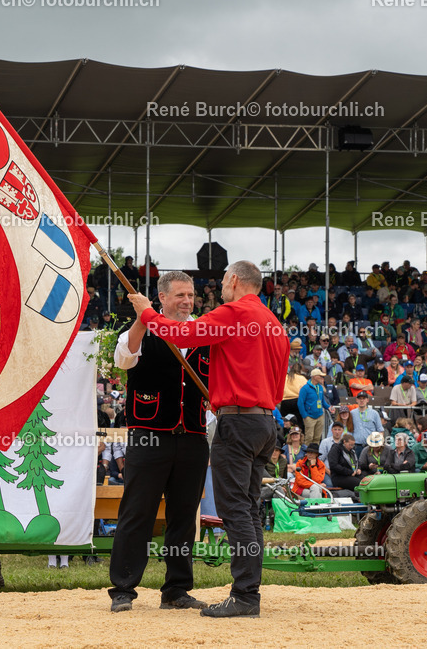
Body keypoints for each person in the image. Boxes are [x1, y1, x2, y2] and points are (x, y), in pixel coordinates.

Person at [129, 260, 289, 618]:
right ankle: (249, 591)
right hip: (265, 421)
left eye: (223, 281)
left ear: (234, 280)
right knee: (248, 508)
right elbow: (279, 381)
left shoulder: (234, 312)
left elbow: (182, 335)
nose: (220, 288)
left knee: (236, 510)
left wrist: (147, 313)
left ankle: (245, 595)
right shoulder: (273, 323)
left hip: (239, 421)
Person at [108, 271, 210, 613]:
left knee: (183, 516)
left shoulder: (203, 331)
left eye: (190, 295)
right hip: (149, 435)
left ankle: (176, 590)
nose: (187, 301)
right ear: (162, 298)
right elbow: (123, 359)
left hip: (193, 436)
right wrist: (142, 318)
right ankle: (123, 588)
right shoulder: (143, 328)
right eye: (180, 295)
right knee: (137, 513)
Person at [298, 368, 334, 446]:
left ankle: (315, 452)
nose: (322, 377)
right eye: (320, 376)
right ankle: (307, 452)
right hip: (309, 417)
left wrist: (328, 407)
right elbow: (300, 403)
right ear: (314, 377)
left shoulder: (320, 387)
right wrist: (305, 416)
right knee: (309, 437)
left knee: (317, 438)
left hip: (319, 416)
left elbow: (322, 401)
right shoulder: (305, 388)